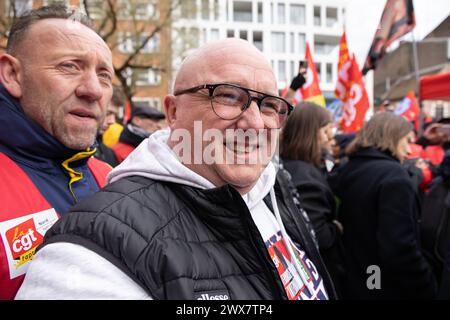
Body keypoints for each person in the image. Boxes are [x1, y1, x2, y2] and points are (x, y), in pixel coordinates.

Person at [16, 38, 337, 300]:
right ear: (172, 112)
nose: (254, 122)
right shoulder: (90, 254)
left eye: (268, 104)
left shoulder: (271, 185)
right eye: (227, 95)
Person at [0, 5, 114, 299]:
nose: (93, 90)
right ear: (12, 73)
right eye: (70, 66)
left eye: (104, 75)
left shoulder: (114, 180)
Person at [328, 112, 437, 299]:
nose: (409, 151)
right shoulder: (394, 177)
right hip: (381, 282)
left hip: (355, 277)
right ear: (392, 137)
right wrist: (427, 283)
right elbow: (398, 248)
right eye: (406, 141)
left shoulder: (348, 168)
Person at [280, 102, 346, 297]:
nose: (330, 138)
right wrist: (335, 228)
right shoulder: (305, 176)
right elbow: (315, 235)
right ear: (311, 133)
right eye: (326, 131)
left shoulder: (291, 166)